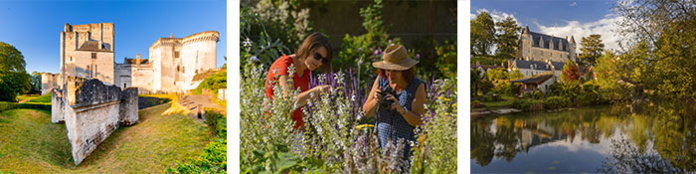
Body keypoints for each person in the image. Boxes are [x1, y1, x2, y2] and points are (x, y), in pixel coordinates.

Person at [362, 44, 426, 161]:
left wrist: (402, 109)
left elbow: (419, 122)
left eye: (395, 71)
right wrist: (376, 100)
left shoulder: (416, 86)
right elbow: (366, 112)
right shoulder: (382, 80)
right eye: (387, 70)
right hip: (381, 144)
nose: (390, 75)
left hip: (406, 148)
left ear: (404, 70)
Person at [264, 32, 333, 130]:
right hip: (276, 129)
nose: (319, 62)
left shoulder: (306, 70)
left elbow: (301, 106)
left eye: (323, 60)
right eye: (317, 56)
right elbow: (290, 101)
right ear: (308, 48)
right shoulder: (284, 64)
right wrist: (318, 90)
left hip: (295, 131)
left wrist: (306, 135)